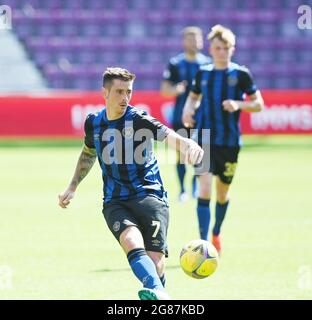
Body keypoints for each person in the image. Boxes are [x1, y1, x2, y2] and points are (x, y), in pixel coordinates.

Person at [58, 67, 204, 300]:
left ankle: (158, 291)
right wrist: (72, 186)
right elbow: (88, 153)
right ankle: (159, 293)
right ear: (104, 93)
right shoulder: (93, 123)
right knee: (130, 240)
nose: (125, 98)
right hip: (115, 200)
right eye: (119, 92)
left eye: (129, 92)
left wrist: (187, 144)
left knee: (156, 264)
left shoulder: (138, 118)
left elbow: (168, 134)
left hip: (150, 196)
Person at [182, 25, 264, 254]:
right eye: (217, 48)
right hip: (204, 139)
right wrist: (188, 111)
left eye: (225, 47)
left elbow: (259, 104)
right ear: (211, 49)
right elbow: (193, 98)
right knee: (204, 188)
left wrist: (239, 104)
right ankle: (202, 243)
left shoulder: (241, 75)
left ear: (232, 49)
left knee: (222, 192)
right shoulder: (203, 73)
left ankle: (216, 231)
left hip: (229, 142)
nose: (221, 51)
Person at [161, 26, 210, 202]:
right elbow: (165, 90)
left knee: (200, 153)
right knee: (182, 154)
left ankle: (195, 188)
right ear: (184, 42)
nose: (194, 42)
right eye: (190, 39)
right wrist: (176, 89)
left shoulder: (207, 64)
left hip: (202, 117)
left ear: (202, 41)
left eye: (196, 39)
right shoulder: (175, 64)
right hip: (180, 117)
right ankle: (182, 190)